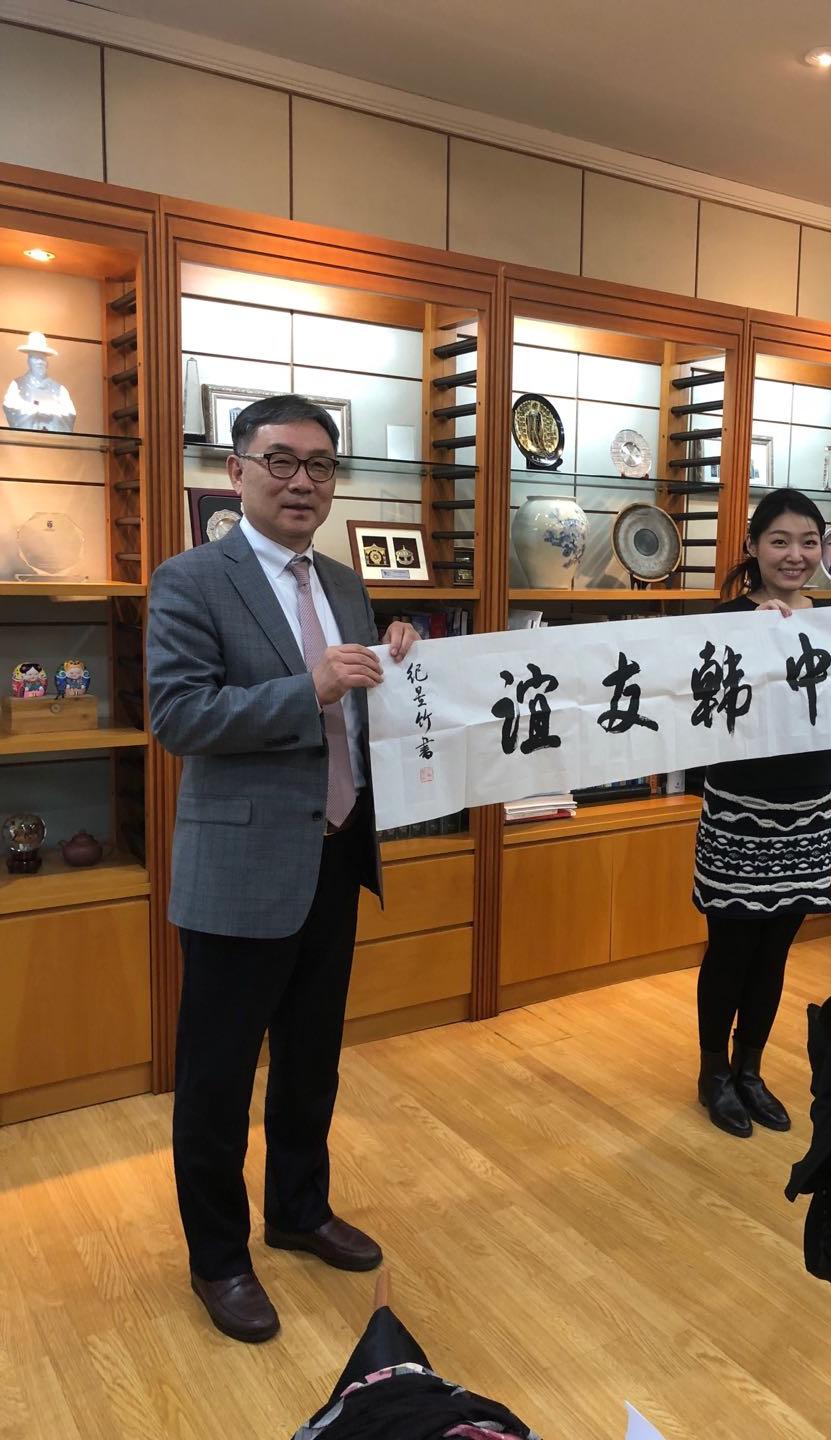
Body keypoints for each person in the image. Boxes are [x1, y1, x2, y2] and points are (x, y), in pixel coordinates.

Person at [148, 394, 419, 1343]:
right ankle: (219, 1258)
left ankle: (300, 1209)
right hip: (238, 868)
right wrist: (312, 685)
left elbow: (360, 704)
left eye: (320, 465)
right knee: (217, 1080)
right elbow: (180, 716)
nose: (301, 480)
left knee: (311, 1061)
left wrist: (398, 662)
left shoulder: (344, 582)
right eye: (280, 460)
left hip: (335, 852)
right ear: (237, 471)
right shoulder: (190, 579)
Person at [693, 488, 831, 1138]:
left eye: (809, 542)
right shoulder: (725, 622)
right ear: (753, 546)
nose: (795, 554)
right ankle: (713, 1073)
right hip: (737, 814)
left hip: (807, 815)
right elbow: (700, 722)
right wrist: (752, 642)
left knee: (776, 948)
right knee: (731, 948)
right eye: (779, 540)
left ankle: (750, 1069)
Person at [3, 331, 76, 432]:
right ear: (28, 361)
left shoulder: (59, 389)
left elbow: (69, 413)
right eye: (35, 358)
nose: (39, 362)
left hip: (53, 440)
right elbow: (11, 407)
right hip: (26, 439)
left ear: (47, 362)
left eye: (42, 358)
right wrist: (37, 409)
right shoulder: (17, 385)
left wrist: (49, 411)